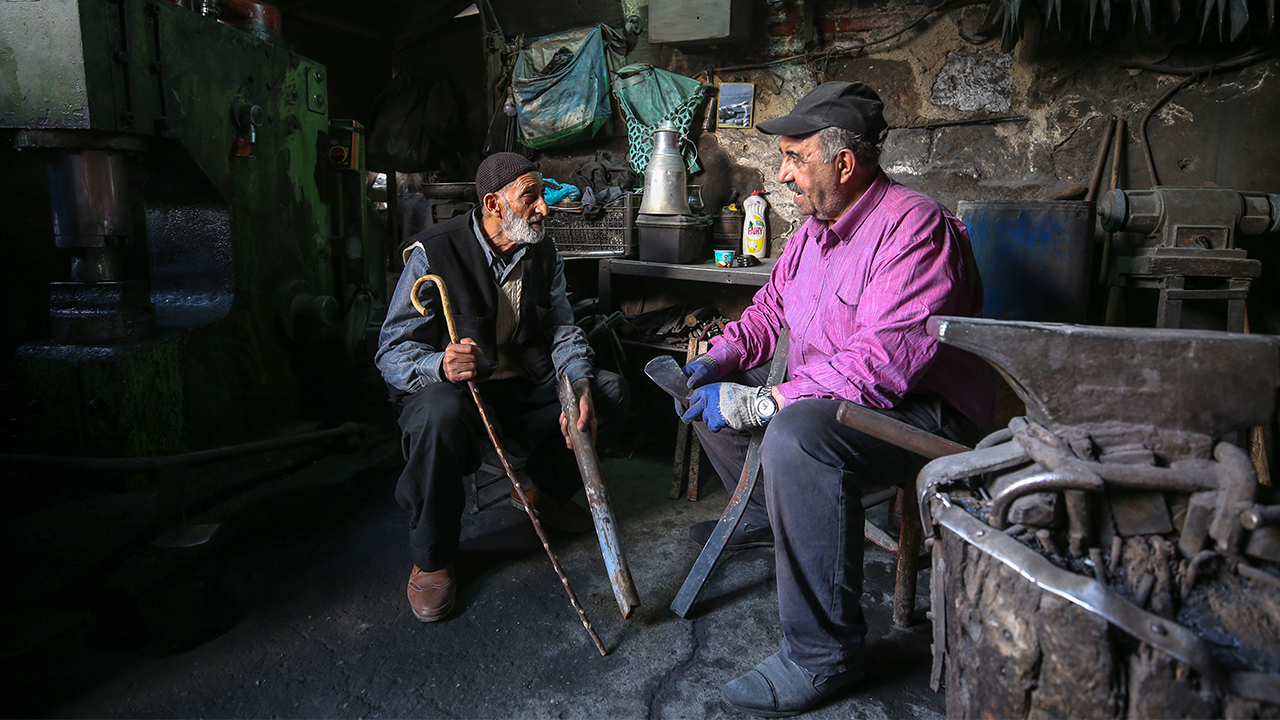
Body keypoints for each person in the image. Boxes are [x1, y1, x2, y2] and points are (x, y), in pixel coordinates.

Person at [677, 82, 993, 716]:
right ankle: (780, 518)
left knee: (795, 435)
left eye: (796, 156)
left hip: (926, 411)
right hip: (844, 397)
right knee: (711, 395)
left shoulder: (913, 227)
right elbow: (768, 312)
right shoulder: (812, 233)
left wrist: (765, 403)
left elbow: (880, 368)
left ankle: (824, 657)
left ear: (843, 163)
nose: (783, 172)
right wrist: (719, 356)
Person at [376, 152, 630, 623]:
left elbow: (562, 328)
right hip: (455, 392)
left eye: (543, 196)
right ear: (494, 203)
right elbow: (390, 353)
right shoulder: (434, 252)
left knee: (608, 390)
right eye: (529, 198)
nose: (544, 209)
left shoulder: (541, 251)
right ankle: (433, 556)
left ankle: (540, 492)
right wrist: (439, 364)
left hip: (520, 385)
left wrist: (576, 380)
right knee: (437, 417)